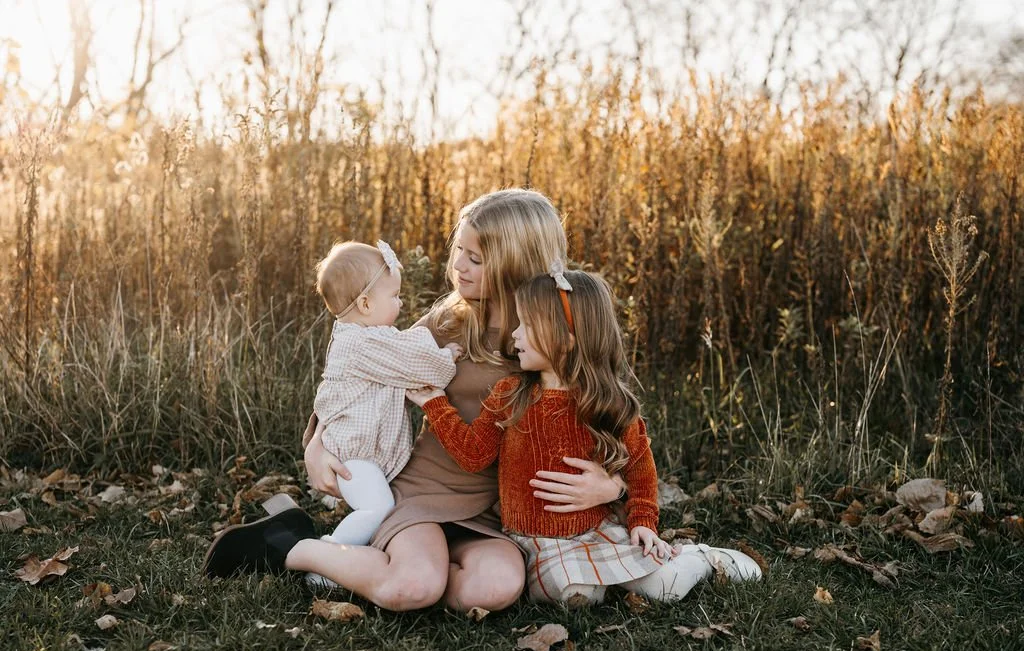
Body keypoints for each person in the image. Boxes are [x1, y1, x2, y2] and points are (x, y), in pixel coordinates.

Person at [203, 189, 625, 611]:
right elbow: (357, 374)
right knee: (412, 587)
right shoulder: (446, 324)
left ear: (518, 264)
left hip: (499, 512)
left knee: (494, 589)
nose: (459, 265)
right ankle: (292, 545)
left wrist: (613, 486)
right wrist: (317, 443)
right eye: (459, 249)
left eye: (476, 259)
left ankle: (374, 566)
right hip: (425, 490)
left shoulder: (561, 335)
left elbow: (613, 419)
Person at [406, 268, 762, 604]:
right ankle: (604, 580)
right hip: (533, 539)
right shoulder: (510, 393)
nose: (514, 335)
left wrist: (642, 522)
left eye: (527, 325)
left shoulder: (607, 403)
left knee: (663, 589)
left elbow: (640, 467)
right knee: (574, 594)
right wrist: (435, 404)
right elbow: (474, 454)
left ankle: (701, 559)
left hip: (593, 529)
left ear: (567, 337)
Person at [300, 241, 461, 587]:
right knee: (377, 507)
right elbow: (423, 367)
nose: (401, 303)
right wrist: (446, 355)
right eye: (395, 296)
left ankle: (347, 551)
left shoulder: (364, 337)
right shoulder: (364, 344)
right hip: (354, 456)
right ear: (366, 304)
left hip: (359, 453)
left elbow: (404, 351)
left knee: (377, 505)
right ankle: (327, 561)